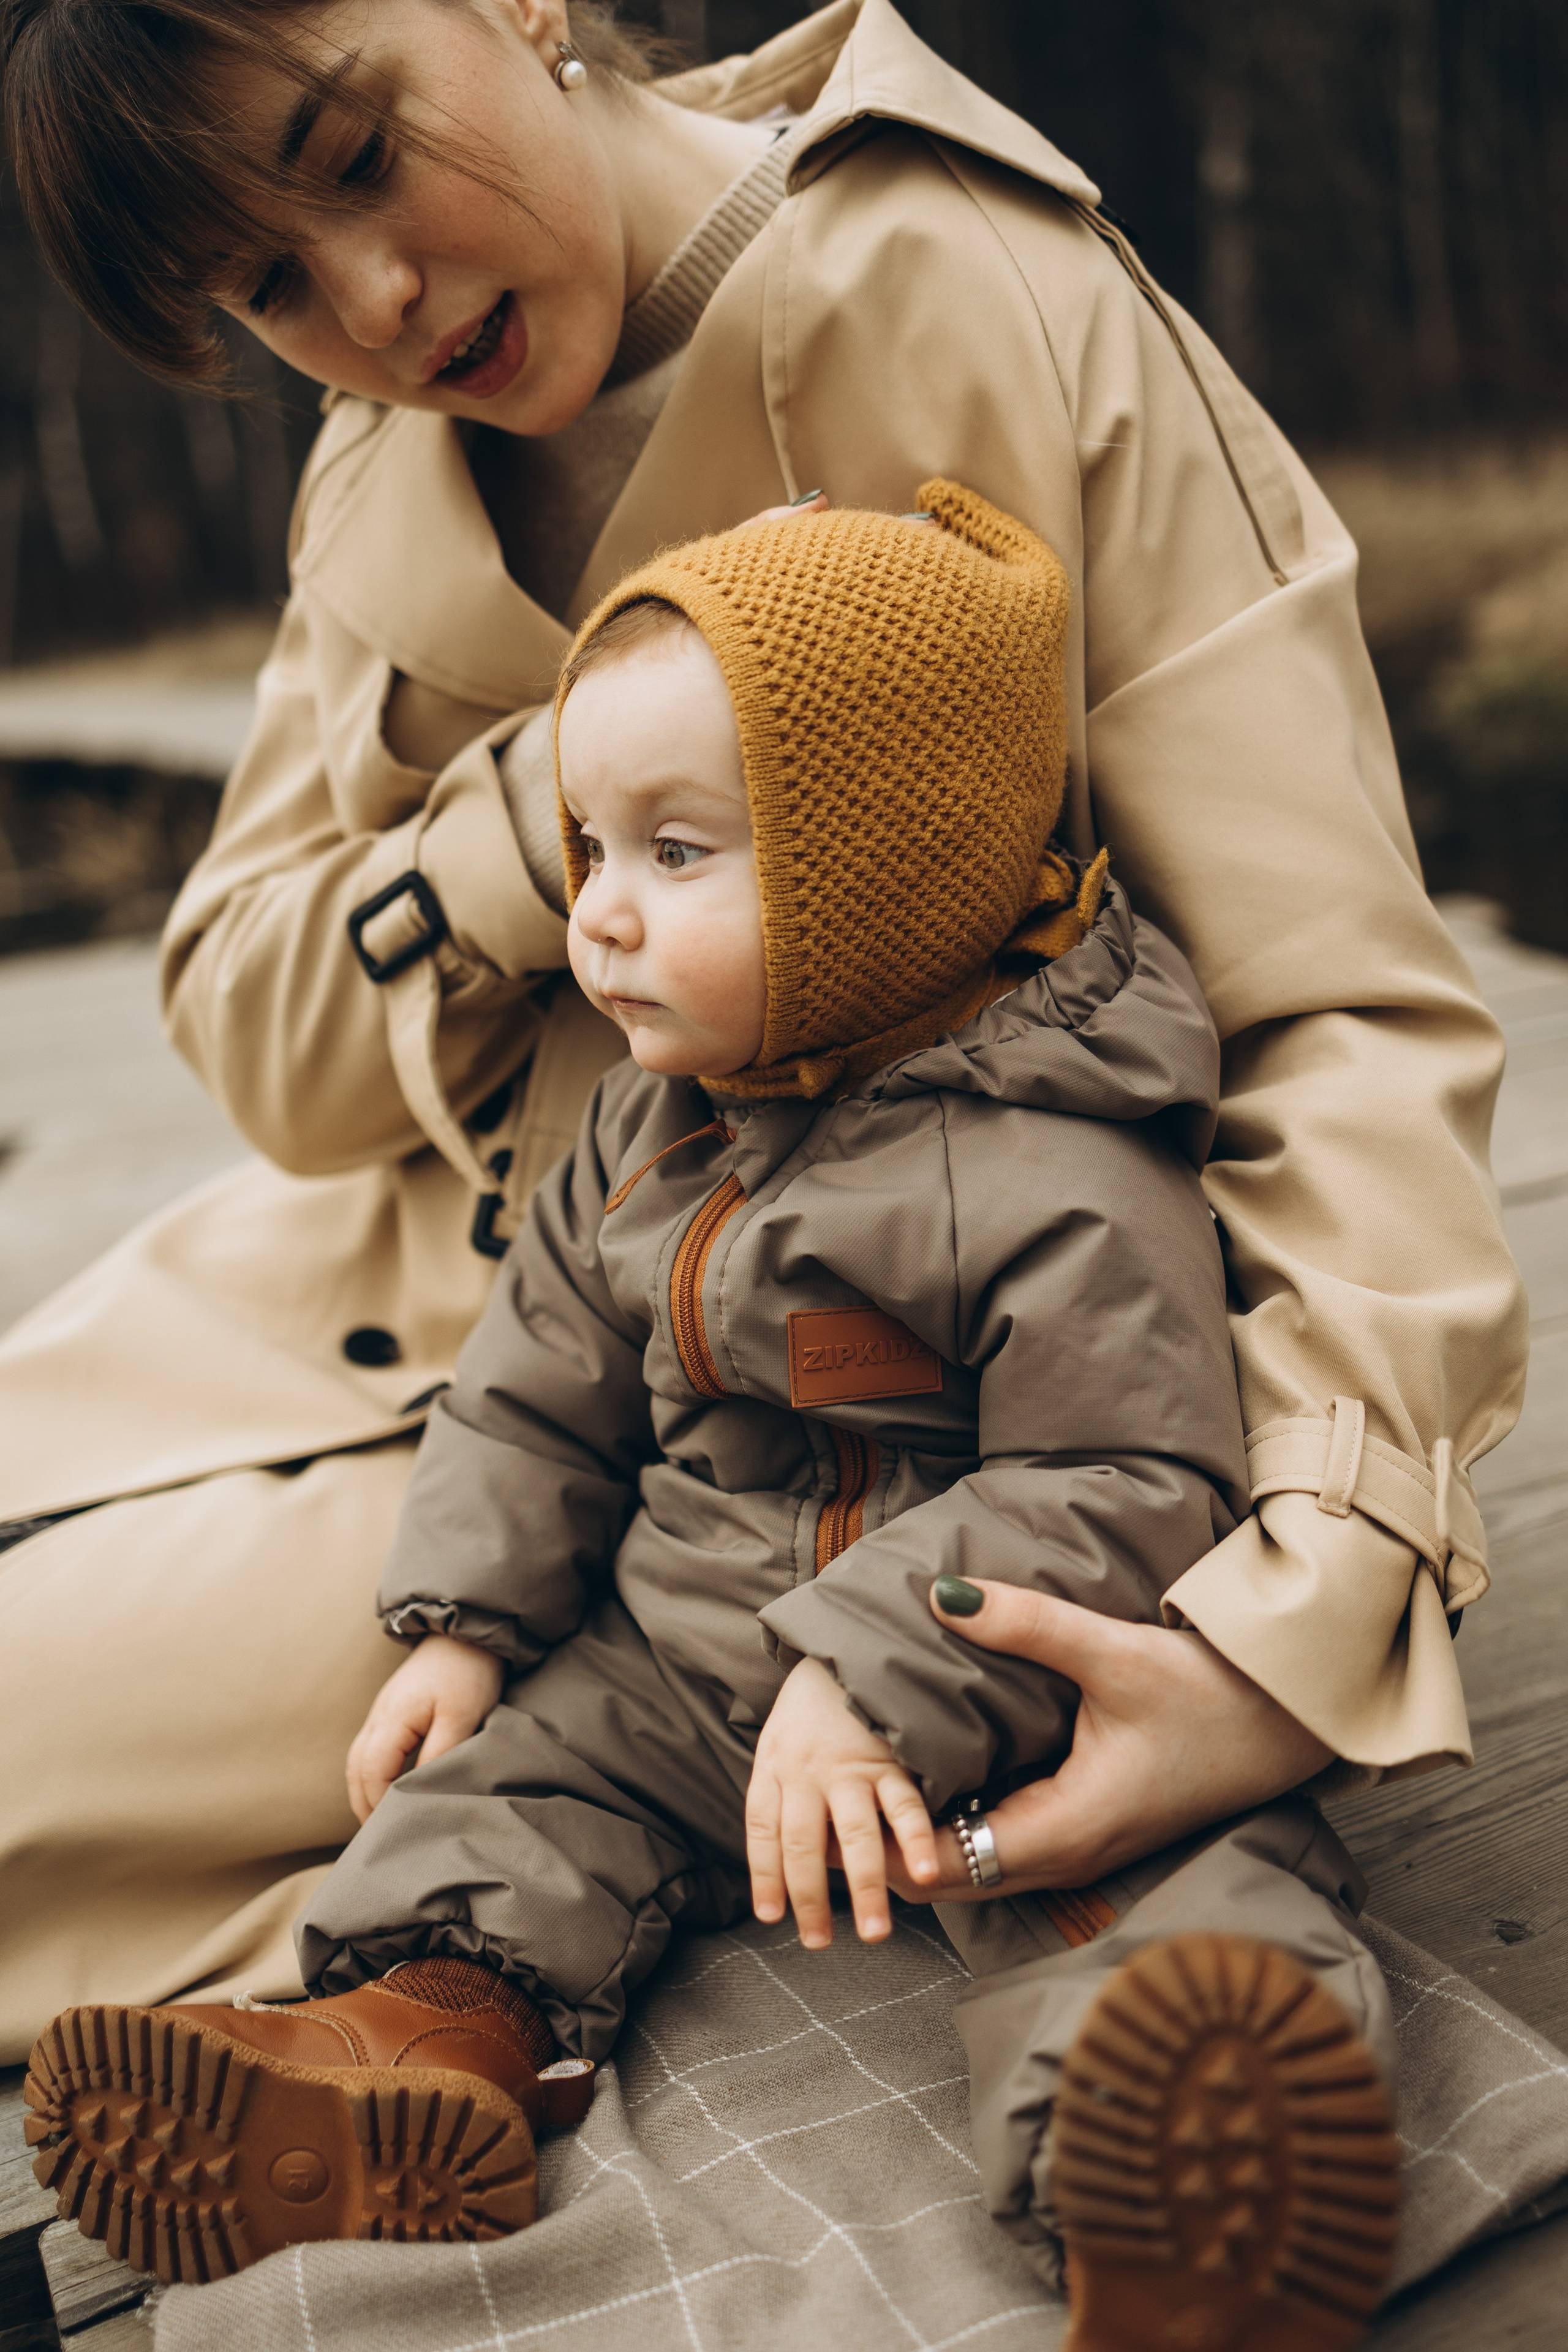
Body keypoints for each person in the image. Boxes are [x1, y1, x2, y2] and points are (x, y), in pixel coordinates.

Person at [0, 0, 1522, 2260]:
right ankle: (405, 2035)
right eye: (271, 292)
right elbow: (249, 1020)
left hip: (928, 1405)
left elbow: (1342, 1011)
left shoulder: (970, 279)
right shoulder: (369, 473)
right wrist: (547, 822)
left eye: (350, 156)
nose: (379, 307)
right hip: (467, 1300)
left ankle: (1169, 2167)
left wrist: (1285, 1622)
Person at [27, 488, 1402, 2347]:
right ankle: (422, 2044)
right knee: (508, 1799)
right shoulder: (648, 1125)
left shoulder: (1065, 1172)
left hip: (1010, 1697)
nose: (593, 915)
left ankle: (1173, 2174)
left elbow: (1131, 1480)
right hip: (682, 1664)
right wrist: (465, 1623)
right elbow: (534, 1392)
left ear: (883, 876)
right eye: (591, 846)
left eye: (676, 852)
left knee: (1164, 1887)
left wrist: (871, 1670)